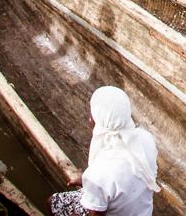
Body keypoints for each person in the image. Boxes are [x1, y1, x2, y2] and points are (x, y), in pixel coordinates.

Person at [49, 87, 159, 216]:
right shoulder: (145, 138)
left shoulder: (98, 174)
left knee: (53, 202)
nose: (90, 119)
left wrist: (89, 184)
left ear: (94, 121)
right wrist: (86, 181)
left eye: (91, 115)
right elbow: (123, 178)